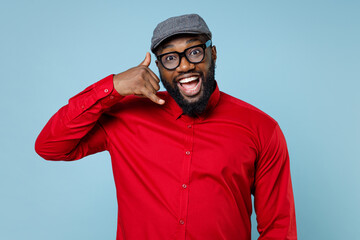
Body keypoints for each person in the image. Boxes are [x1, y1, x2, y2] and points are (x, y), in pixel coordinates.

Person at [35, 14, 297, 240]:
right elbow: (50, 146)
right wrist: (112, 87)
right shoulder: (125, 116)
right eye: (170, 58)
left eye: (195, 52)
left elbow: (279, 228)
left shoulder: (262, 128)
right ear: (159, 67)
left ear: (212, 53)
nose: (184, 65)